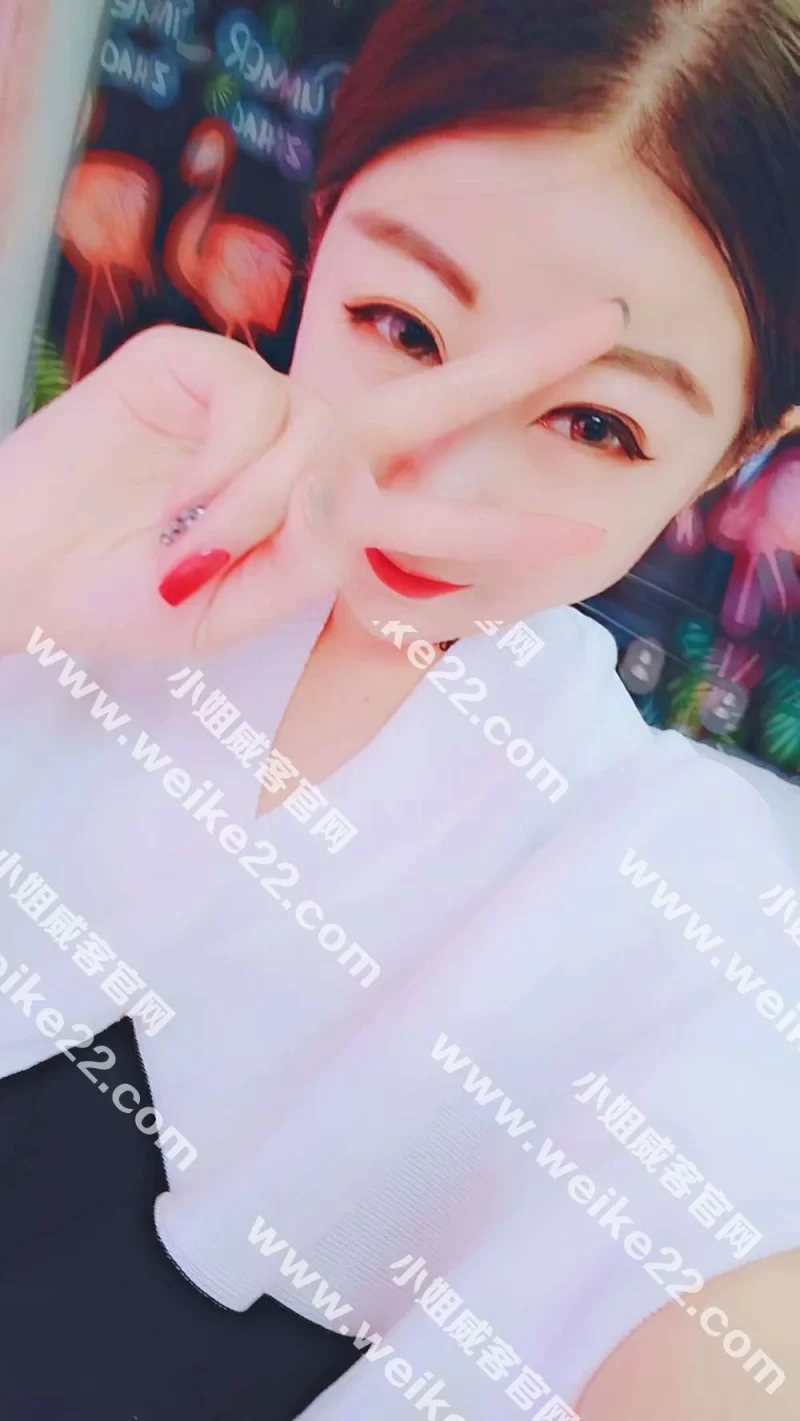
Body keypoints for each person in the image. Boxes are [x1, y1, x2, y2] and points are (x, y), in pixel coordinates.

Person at [0, 1, 799, 1418]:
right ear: (323, 231)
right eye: (403, 326)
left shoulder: (677, 902)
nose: (444, 484)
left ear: (737, 452)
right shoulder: (72, 537)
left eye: (597, 424)